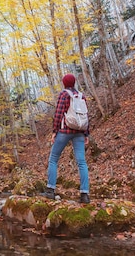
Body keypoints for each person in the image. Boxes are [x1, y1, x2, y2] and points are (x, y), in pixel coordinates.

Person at [41, 73, 90, 204]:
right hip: (79, 131)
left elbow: (58, 113)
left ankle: (50, 190)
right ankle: (84, 194)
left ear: (64, 83)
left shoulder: (64, 94)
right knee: (82, 162)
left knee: (53, 159)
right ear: (74, 83)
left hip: (65, 130)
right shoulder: (81, 96)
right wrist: (86, 133)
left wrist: (54, 131)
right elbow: (85, 115)